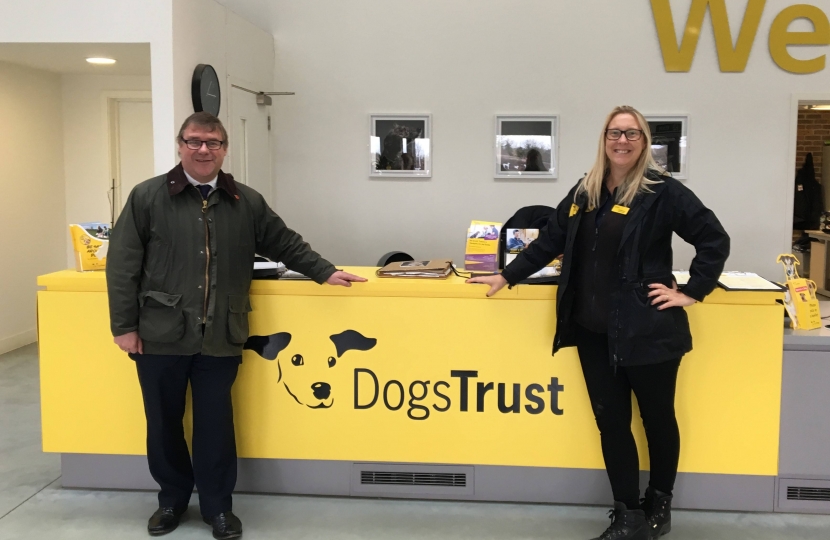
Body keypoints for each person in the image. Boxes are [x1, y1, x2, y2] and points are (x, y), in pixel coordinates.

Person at [467, 105, 729, 540]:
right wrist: (507, 274)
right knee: (611, 422)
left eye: (632, 134)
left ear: (644, 142)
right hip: (593, 331)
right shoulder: (585, 189)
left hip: (647, 330)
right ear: (603, 139)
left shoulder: (662, 191)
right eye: (614, 133)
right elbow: (550, 239)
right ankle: (627, 514)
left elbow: (713, 238)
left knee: (657, 419)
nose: (622, 141)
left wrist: (692, 291)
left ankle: (659, 505)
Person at [106, 112, 365, 540]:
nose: (203, 149)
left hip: (221, 334)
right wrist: (123, 326)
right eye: (194, 141)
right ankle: (171, 500)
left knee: (215, 425)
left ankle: (217, 508)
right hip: (158, 333)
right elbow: (122, 265)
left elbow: (284, 242)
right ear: (180, 145)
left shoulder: (246, 201)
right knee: (163, 421)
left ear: (225, 149)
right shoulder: (147, 197)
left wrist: (325, 271)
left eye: (212, 142)